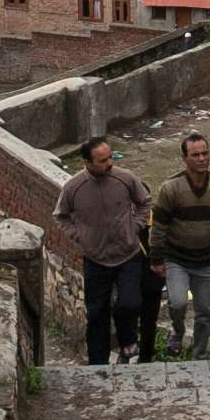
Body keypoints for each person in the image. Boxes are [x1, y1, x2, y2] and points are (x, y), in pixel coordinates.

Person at [144, 130, 210, 361]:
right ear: (185, 158)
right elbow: (159, 227)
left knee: (205, 312)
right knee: (178, 302)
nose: (202, 159)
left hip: (205, 260)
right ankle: (178, 331)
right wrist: (156, 259)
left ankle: (199, 355)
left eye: (205, 154)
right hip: (176, 259)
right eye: (195, 155)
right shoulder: (171, 188)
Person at [53, 135, 155, 367]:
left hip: (128, 254)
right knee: (97, 313)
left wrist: (134, 227)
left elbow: (145, 202)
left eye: (110, 158)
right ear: (87, 163)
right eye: (102, 160)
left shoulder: (125, 178)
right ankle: (97, 363)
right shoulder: (74, 187)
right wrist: (80, 237)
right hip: (96, 260)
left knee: (129, 303)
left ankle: (128, 341)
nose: (109, 163)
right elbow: (60, 216)